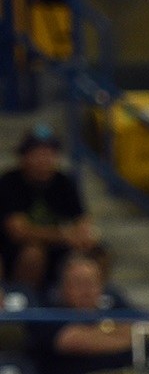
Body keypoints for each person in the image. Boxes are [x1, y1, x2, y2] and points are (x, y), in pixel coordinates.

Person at [0, 124, 102, 292]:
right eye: (38, 153)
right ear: (24, 155)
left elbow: (82, 219)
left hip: (59, 250)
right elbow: (19, 231)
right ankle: (25, 302)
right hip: (13, 251)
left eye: (49, 152)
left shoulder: (64, 182)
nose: (44, 158)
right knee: (33, 254)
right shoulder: (9, 182)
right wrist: (63, 235)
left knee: (98, 253)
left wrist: (84, 235)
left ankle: (93, 303)